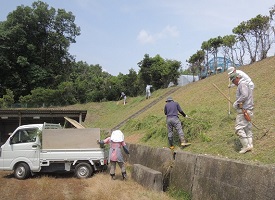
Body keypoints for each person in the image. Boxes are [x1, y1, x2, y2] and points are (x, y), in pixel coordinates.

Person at [230, 73, 254, 154]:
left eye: (233, 80)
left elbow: (244, 95)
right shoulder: (245, 84)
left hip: (244, 110)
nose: (233, 82)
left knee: (239, 128)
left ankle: (246, 146)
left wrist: (237, 103)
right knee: (247, 129)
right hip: (249, 110)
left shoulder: (242, 84)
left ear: (237, 77)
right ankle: (250, 145)